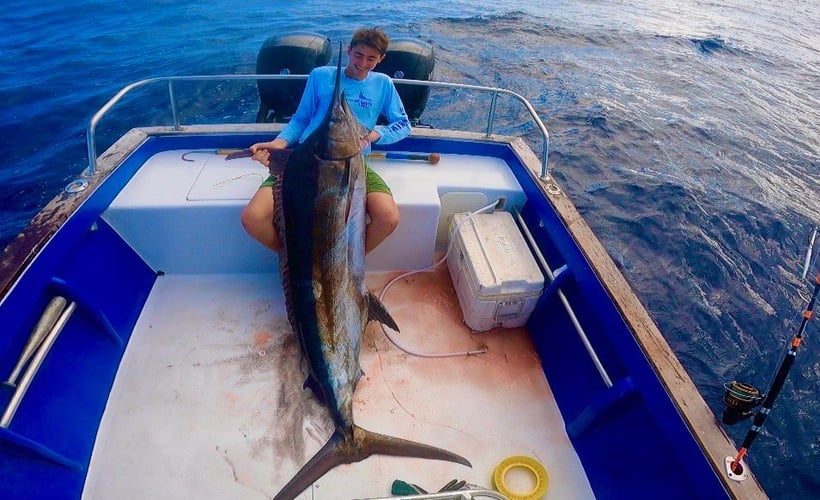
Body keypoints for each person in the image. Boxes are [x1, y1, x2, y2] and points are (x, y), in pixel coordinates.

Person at [241, 28, 411, 255]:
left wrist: (375, 135)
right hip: (307, 158)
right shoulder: (321, 76)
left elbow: (403, 124)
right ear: (349, 51)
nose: (362, 63)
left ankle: (345, 265)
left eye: (371, 58)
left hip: (353, 163)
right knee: (252, 218)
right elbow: (301, 118)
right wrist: (280, 143)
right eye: (358, 55)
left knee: (388, 217)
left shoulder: (383, 84)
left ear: (381, 59)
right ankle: (300, 261)